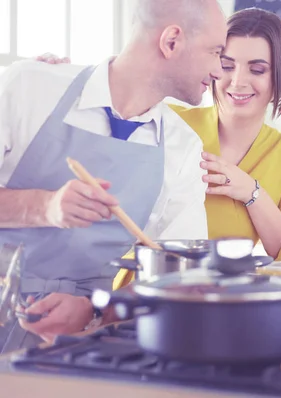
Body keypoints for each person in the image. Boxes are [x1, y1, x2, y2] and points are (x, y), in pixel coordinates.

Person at [36, 8, 281, 288]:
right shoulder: (168, 122)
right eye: (226, 65)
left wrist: (252, 194)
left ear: (280, 76)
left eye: (257, 69)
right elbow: (102, 118)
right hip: (133, 291)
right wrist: (61, 82)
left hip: (218, 304)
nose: (237, 81)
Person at [0, 0, 227, 352]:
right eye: (215, 52)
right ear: (171, 41)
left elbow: (181, 274)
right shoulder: (28, 86)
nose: (219, 71)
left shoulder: (184, 148)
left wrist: (96, 310)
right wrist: (44, 206)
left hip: (78, 346)